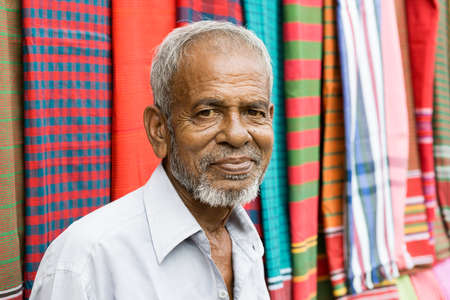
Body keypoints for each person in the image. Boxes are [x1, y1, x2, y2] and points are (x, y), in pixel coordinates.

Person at [30, 20, 274, 300]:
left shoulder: (245, 241)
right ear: (159, 129)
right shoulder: (86, 261)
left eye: (254, 112)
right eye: (207, 112)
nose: (236, 134)